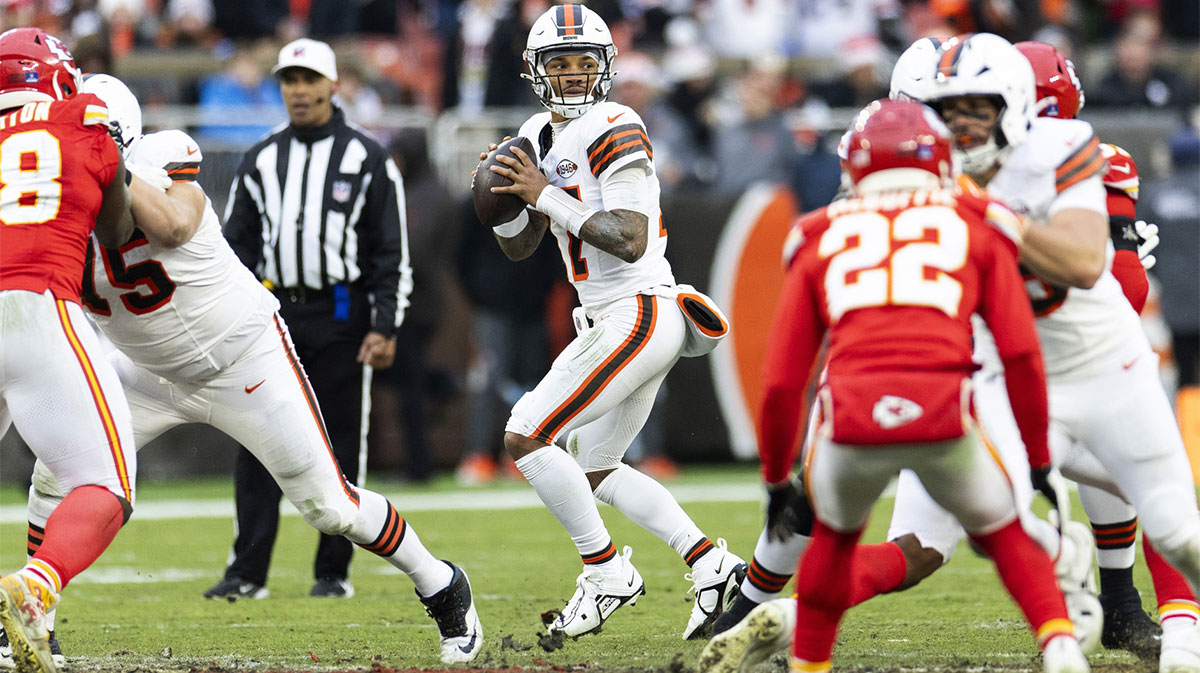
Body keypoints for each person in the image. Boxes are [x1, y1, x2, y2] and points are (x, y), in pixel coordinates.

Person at [706, 32, 1200, 671]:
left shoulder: (1063, 149)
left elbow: (1086, 266)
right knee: (992, 529)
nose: (956, 126)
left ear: (1018, 104)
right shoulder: (904, 185)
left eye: (976, 107)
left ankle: (1144, 621)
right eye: (940, 111)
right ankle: (1072, 608)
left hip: (1096, 356)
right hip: (990, 364)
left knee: (1172, 521)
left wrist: (985, 213)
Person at [19, 74, 482, 666]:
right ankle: (34, 618)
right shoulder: (44, 200)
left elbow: (175, 226)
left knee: (329, 507)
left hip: (242, 357)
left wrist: (112, 171)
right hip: (145, 371)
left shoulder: (162, 155)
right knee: (55, 477)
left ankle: (442, 584)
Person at [704, 97, 1091, 673]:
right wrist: (1036, 458)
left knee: (834, 540)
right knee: (1005, 533)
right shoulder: (974, 219)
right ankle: (1061, 646)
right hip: (943, 411)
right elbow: (1019, 353)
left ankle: (811, 664)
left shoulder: (815, 233)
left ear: (852, 165)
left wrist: (775, 477)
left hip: (850, 418)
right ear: (939, 157)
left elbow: (784, 381)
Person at [482, 3, 745, 640]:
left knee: (526, 437)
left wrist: (541, 194)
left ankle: (606, 574)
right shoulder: (535, 134)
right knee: (594, 464)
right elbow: (522, 247)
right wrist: (504, 205)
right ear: (534, 68)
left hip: (638, 308)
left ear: (605, 66)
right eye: (558, 62)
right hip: (610, 315)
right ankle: (712, 566)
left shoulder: (614, 122)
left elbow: (626, 238)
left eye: (583, 62)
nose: (572, 74)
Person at [211, 37, 414, 601]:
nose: (298, 91)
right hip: (272, 317)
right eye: (289, 81)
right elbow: (235, 251)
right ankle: (247, 571)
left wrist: (385, 324)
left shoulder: (367, 158)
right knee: (255, 440)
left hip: (341, 315)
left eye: (308, 80)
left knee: (340, 445)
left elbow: (388, 252)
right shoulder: (261, 159)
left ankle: (334, 572)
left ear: (332, 85)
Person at [0, 28, 138, 673]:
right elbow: (117, 227)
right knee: (106, 484)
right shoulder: (83, 115)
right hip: (38, 305)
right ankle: (37, 586)